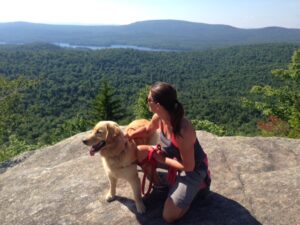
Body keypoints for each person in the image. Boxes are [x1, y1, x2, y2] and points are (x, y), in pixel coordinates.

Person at [126, 82, 211, 223]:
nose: (147, 102)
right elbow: (148, 129)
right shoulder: (158, 117)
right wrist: (129, 135)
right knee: (140, 151)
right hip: (172, 156)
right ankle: (164, 184)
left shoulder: (183, 130)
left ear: (158, 105)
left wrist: (161, 159)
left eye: (149, 100)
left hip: (193, 170)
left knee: (169, 216)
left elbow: (188, 167)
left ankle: (196, 189)